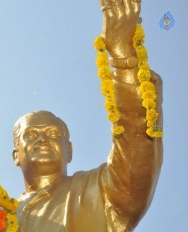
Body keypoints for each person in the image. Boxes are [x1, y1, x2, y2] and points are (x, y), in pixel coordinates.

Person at [12, 1, 163, 231]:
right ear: (16, 154)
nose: (42, 139)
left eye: (52, 134)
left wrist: (123, 61)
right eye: (31, 134)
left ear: (69, 150)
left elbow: (136, 156)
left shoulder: (97, 190)